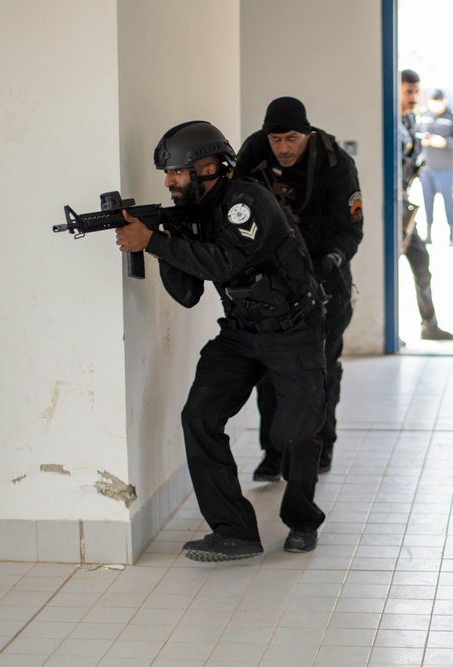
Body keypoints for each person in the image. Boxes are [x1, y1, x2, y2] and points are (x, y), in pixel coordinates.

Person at [114, 121, 328, 561]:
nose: (170, 182)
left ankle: (303, 519)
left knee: (296, 431)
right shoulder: (190, 214)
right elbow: (190, 294)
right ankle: (235, 531)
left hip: (294, 329)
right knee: (199, 416)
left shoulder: (245, 202)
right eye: (167, 175)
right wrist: (165, 243)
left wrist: (155, 241)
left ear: (208, 167)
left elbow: (225, 261)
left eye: (176, 172)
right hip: (240, 332)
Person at [233, 97, 363, 479]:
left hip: (325, 278)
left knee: (320, 368)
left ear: (306, 133)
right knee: (270, 368)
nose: (284, 147)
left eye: (292, 137)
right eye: (276, 139)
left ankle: (321, 445)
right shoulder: (254, 154)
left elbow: (352, 228)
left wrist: (330, 262)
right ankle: (274, 453)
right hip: (271, 283)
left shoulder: (336, 163)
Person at [400, 70, 453, 342]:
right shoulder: (389, 120)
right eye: (407, 92)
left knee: (421, 262)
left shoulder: (410, 119)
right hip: (391, 204)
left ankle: (429, 324)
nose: (413, 97)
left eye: (415, 92)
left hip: (404, 202)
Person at [417, 89, 453, 246]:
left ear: (444, 101)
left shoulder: (452, 116)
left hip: (445, 168)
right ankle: (428, 233)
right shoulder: (424, 115)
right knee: (427, 202)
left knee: (447, 201)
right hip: (427, 168)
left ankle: (451, 234)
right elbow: (415, 134)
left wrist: (444, 142)